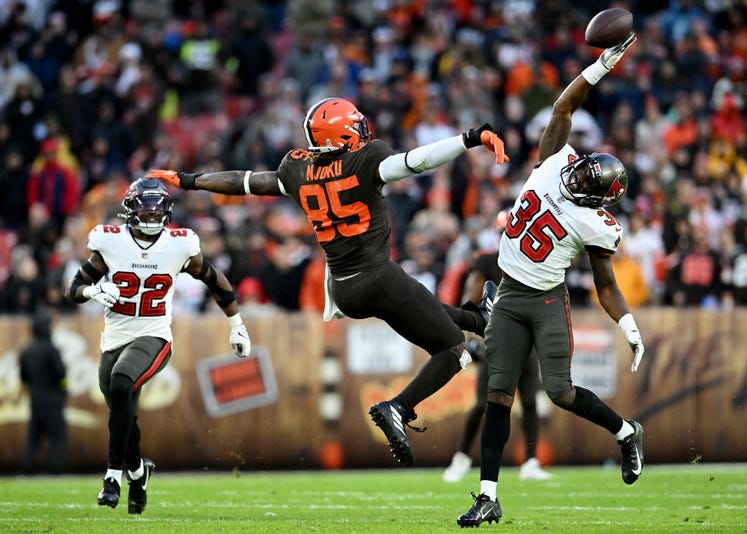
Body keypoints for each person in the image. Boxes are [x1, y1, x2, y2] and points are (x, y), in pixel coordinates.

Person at [147, 97, 509, 466]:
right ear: (341, 134)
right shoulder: (367, 159)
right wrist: (470, 138)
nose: (362, 130)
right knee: (454, 351)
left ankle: (479, 318)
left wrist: (190, 181)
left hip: (344, 288)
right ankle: (398, 407)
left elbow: (246, 183)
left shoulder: (298, 169)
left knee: (428, 312)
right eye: (354, 124)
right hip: (378, 276)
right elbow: (417, 161)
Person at [457, 33, 645, 527]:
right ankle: (488, 494)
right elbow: (564, 104)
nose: (577, 178)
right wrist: (600, 67)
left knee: (559, 392)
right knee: (498, 392)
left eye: (588, 184)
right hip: (507, 293)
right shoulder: (554, 160)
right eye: (582, 171)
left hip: (544, 300)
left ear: (600, 201)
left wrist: (627, 323)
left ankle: (625, 432)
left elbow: (604, 284)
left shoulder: (596, 225)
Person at [65, 177, 251, 514]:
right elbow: (74, 286)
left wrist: (237, 325)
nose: (152, 215)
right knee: (123, 415)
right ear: (130, 210)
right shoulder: (110, 241)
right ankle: (138, 473)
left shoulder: (179, 244)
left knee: (122, 382)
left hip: (154, 335)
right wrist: (92, 291)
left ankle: (112, 477)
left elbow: (214, 279)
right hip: (114, 338)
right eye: (146, 208)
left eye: (158, 209)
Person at [443, 211, 552, 483]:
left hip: (526, 339)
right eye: (506, 233)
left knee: (529, 402)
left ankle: (530, 461)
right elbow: (471, 295)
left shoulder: (533, 261)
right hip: (498, 340)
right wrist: (473, 333)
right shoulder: (488, 261)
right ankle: (461, 457)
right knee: (483, 404)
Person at [19, 309, 67, 475]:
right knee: (58, 437)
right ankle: (57, 469)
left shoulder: (27, 351)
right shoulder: (51, 350)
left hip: (35, 399)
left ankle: (26, 469)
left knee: (33, 437)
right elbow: (61, 373)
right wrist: (64, 389)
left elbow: (23, 377)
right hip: (53, 400)